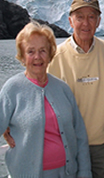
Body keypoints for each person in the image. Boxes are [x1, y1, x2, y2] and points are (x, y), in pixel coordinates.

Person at [0, 21, 92, 178]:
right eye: (30, 51)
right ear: (22, 57)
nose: (37, 57)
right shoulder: (12, 89)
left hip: (66, 173)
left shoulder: (62, 89)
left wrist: (84, 173)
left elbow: (80, 136)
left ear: (50, 54)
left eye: (43, 50)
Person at [47, 0, 104, 178]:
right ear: (70, 21)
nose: (85, 23)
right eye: (80, 17)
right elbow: (42, 100)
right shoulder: (56, 58)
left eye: (91, 17)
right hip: (69, 146)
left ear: (99, 21)